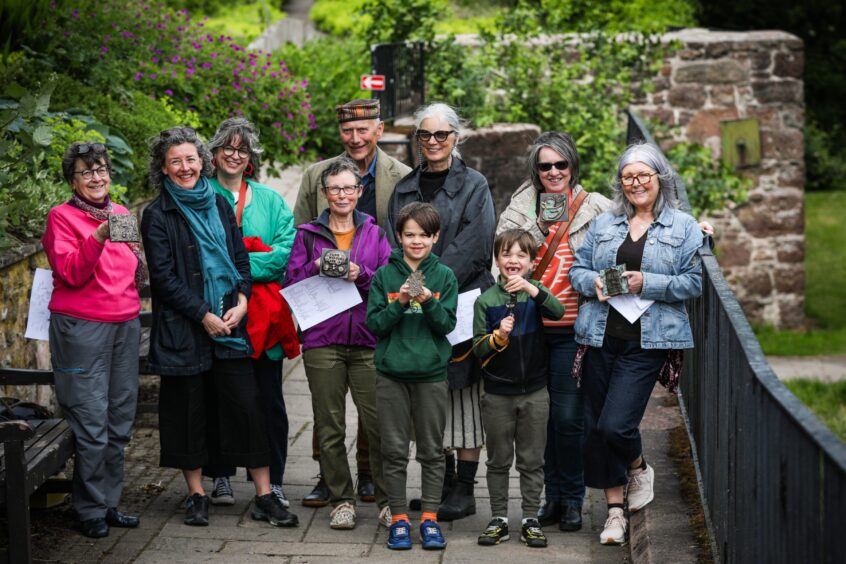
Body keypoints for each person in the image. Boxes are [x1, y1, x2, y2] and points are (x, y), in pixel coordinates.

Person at [140, 126, 297, 528]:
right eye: (175, 161)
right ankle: (196, 495)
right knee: (189, 411)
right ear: (163, 168)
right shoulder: (158, 214)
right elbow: (163, 276)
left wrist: (243, 300)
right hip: (186, 327)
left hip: (229, 322)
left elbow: (239, 259)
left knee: (247, 407)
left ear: (202, 162)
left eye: (191, 159)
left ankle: (264, 495)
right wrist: (201, 314)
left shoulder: (219, 203)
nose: (185, 167)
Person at [569, 142, 704, 545]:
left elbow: (693, 283)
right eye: (628, 177)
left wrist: (651, 282)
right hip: (599, 333)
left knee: (616, 424)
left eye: (644, 175)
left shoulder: (684, 226)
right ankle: (613, 512)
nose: (636, 184)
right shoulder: (606, 224)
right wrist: (592, 282)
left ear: (660, 178)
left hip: (648, 340)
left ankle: (640, 466)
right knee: (596, 426)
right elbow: (578, 269)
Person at [294, 98, 410, 505]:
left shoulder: (402, 176)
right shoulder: (315, 176)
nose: (355, 138)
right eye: (348, 131)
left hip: (371, 310)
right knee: (327, 412)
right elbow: (301, 235)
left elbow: (404, 241)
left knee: (374, 409)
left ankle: (368, 475)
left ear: (379, 130)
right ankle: (330, 478)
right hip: (324, 315)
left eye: (364, 130)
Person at [496, 132, 611, 532]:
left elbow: (639, 227)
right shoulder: (520, 206)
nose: (554, 172)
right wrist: (537, 229)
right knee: (540, 419)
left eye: (561, 164)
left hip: (571, 329)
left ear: (572, 166)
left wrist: (696, 227)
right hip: (529, 329)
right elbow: (502, 258)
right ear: (536, 170)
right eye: (545, 165)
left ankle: (573, 498)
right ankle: (552, 497)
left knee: (567, 417)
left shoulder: (595, 206)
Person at [386, 103, 496, 521]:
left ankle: (465, 489)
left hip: (462, 299)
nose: (433, 142)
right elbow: (392, 239)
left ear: (456, 137)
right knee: (429, 392)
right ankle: (443, 483)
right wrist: (412, 287)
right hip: (413, 301)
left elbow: (477, 241)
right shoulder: (405, 187)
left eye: (442, 135)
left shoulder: (475, 185)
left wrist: (431, 283)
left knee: (463, 393)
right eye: (425, 135)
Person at [42, 141, 143, 538]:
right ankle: (88, 509)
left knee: (119, 419)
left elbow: (132, 269)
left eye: (101, 169)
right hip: (82, 328)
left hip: (125, 324)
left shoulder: (120, 212)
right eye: (87, 172)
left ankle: (109, 502)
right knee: (90, 420)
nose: (97, 177)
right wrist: (99, 235)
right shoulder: (61, 217)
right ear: (73, 180)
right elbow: (70, 272)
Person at [286, 156, 393, 530]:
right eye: (335, 188)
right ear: (324, 193)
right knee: (329, 427)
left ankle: (386, 500)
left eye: (349, 188)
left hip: (367, 340)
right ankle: (341, 499)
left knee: (378, 424)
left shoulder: (375, 233)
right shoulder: (307, 234)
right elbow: (291, 282)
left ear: (359, 192)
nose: (342, 194)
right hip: (322, 339)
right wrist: (313, 267)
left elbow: (386, 283)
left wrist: (360, 274)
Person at [203, 117, 298, 510]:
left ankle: (273, 480)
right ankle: (220, 474)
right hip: (214, 310)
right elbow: (201, 255)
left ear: (251, 158)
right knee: (217, 395)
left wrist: (237, 262)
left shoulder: (271, 200)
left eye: (242, 149)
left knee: (269, 400)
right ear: (214, 153)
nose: (234, 154)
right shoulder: (200, 195)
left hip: (264, 317)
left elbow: (284, 256)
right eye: (227, 146)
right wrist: (250, 257)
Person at [366, 202, 458, 550]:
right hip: (391, 374)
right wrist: (400, 301)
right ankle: (400, 518)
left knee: (433, 451)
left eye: (423, 235)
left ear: (435, 237)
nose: (416, 241)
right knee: (392, 450)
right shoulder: (384, 276)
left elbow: (447, 325)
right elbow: (375, 325)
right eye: (409, 235)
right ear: (399, 237)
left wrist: (428, 300)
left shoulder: (444, 277)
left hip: (431, 374)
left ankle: (430, 520)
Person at [473, 229, 565, 549]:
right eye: (506, 254)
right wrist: (497, 338)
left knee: (531, 459)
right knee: (498, 459)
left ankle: (529, 518)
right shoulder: (486, 300)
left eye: (521, 255)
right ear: (497, 260)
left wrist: (532, 289)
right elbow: (478, 349)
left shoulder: (535, 293)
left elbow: (558, 311)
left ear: (530, 262)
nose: (513, 260)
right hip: (497, 392)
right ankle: (498, 517)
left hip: (535, 391)